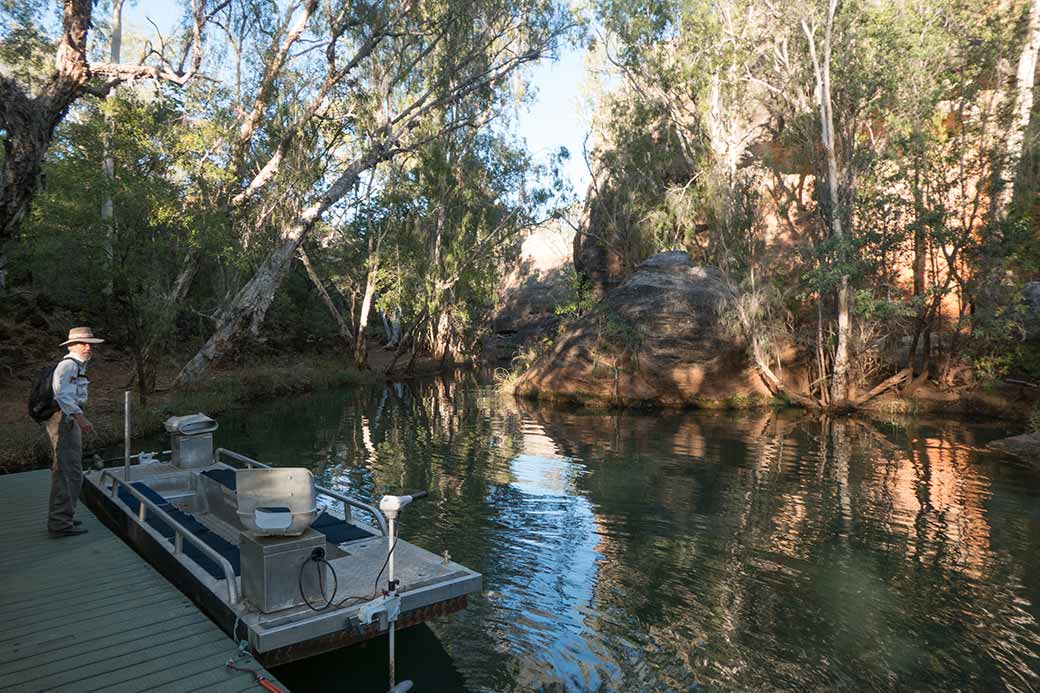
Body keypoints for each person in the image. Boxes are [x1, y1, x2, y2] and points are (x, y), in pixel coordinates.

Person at [46, 326, 104, 538]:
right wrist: (81, 418)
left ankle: (63, 517)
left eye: (91, 344)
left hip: (69, 419)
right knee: (67, 471)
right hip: (65, 419)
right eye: (84, 343)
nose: (88, 347)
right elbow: (62, 395)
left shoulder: (78, 366)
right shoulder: (69, 366)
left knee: (71, 470)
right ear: (71, 345)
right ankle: (60, 523)